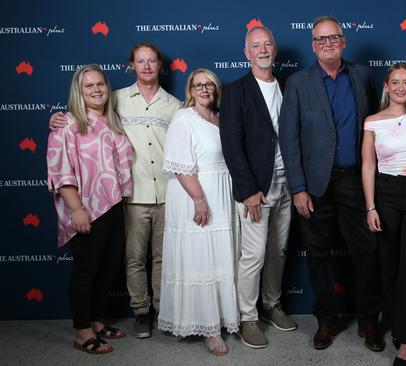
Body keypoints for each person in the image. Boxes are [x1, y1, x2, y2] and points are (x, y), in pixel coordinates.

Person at [50, 44, 181, 339]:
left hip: (136, 199)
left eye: (151, 61)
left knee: (126, 262)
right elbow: (62, 166)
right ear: (131, 65)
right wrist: (75, 208)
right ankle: (125, 318)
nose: (96, 90)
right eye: (140, 61)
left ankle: (148, 314)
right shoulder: (107, 105)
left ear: (160, 65)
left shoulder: (168, 106)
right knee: (114, 262)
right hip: (107, 203)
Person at [279, 16, 383, 352]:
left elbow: (374, 126)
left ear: (343, 41)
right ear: (313, 45)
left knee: (366, 252)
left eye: (333, 37)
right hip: (315, 186)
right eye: (320, 39)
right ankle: (326, 319)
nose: (327, 43)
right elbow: (289, 140)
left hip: (355, 182)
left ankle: (368, 320)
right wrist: (297, 188)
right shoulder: (297, 83)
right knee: (319, 255)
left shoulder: (362, 75)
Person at [47, 64, 133, 354]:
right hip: (86, 208)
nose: (96, 90)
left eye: (100, 84)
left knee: (109, 267)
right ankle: (82, 331)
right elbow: (60, 172)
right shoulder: (67, 125)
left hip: (113, 204)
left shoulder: (114, 120)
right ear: (78, 91)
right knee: (86, 270)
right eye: (89, 86)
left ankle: (96, 321)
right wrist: (76, 209)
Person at [220, 26, 297, 349]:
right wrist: (248, 189)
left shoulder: (287, 87)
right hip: (256, 188)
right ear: (246, 53)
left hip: (287, 183)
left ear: (274, 50)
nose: (263, 49)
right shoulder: (236, 91)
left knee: (278, 250)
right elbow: (232, 145)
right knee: (253, 254)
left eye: (268, 44)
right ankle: (247, 317)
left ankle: (271, 304)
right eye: (256, 45)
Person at [157, 68, 239, 356]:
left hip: (221, 191)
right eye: (198, 85)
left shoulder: (219, 117)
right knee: (201, 260)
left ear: (216, 89)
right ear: (190, 90)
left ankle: (220, 318)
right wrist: (200, 199)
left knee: (218, 258)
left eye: (209, 85)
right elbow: (180, 166)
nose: (204, 89)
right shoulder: (183, 118)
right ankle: (209, 329)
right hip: (197, 194)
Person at [361, 62, 406, 365]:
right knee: (387, 263)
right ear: (386, 86)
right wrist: (370, 206)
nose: (401, 87)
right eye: (395, 81)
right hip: (386, 192)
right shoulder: (373, 121)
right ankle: (393, 317)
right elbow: (368, 165)